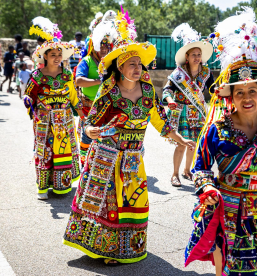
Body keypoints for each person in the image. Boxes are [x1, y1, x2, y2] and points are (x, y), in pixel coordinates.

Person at [63, 9, 195, 265]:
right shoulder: (108, 90)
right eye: (131, 64)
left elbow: (160, 121)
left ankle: (129, 246)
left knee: (134, 200)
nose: (137, 68)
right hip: (107, 157)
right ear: (120, 67)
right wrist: (90, 131)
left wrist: (181, 139)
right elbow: (92, 121)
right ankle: (108, 249)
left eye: (139, 63)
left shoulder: (147, 91)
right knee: (108, 203)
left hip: (134, 158)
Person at [184, 8, 257, 276]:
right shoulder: (216, 130)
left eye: (253, 91)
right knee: (225, 263)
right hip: (226, 206)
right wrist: (208, 189)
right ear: (230, 97)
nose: (247, 98)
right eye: (240, 93)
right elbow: (200, 167)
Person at [24, 16, 85, 200]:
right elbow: (29, 95)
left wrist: (83, 113)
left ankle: (61, 186)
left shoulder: (67, 75)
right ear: (45, 56)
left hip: (64, 121)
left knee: (62, 150)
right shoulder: (37, 75)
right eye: (53, 55)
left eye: (59, 55)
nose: (57, 58)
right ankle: (42, 187)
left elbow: (73, 96)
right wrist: (27, 100)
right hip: (44, 121)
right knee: (45, 151)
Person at [163, 23, 214, 187]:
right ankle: (175, 174)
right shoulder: (179, 74)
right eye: (194, 54)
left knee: (193, 145)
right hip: (181, 112)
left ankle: (187, 171)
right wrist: (170, 101)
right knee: (181, 144)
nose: (197, 57)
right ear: (187, 56)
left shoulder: (206, 73)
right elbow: (167, 90)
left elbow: (213, 90)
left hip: (197, 112)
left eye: (199, 54)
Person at [75, 10, 116, 163]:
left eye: (107, 47)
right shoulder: (87, 61)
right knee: (87, 138)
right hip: (88, 107)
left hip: (106, 108)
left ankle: (99, 165)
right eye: (101, 47)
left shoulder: (111, 63)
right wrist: (99, 81)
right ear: (94, 46)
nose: (104, 50)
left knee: (104, 139)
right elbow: (78, 81)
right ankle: (85, 165)